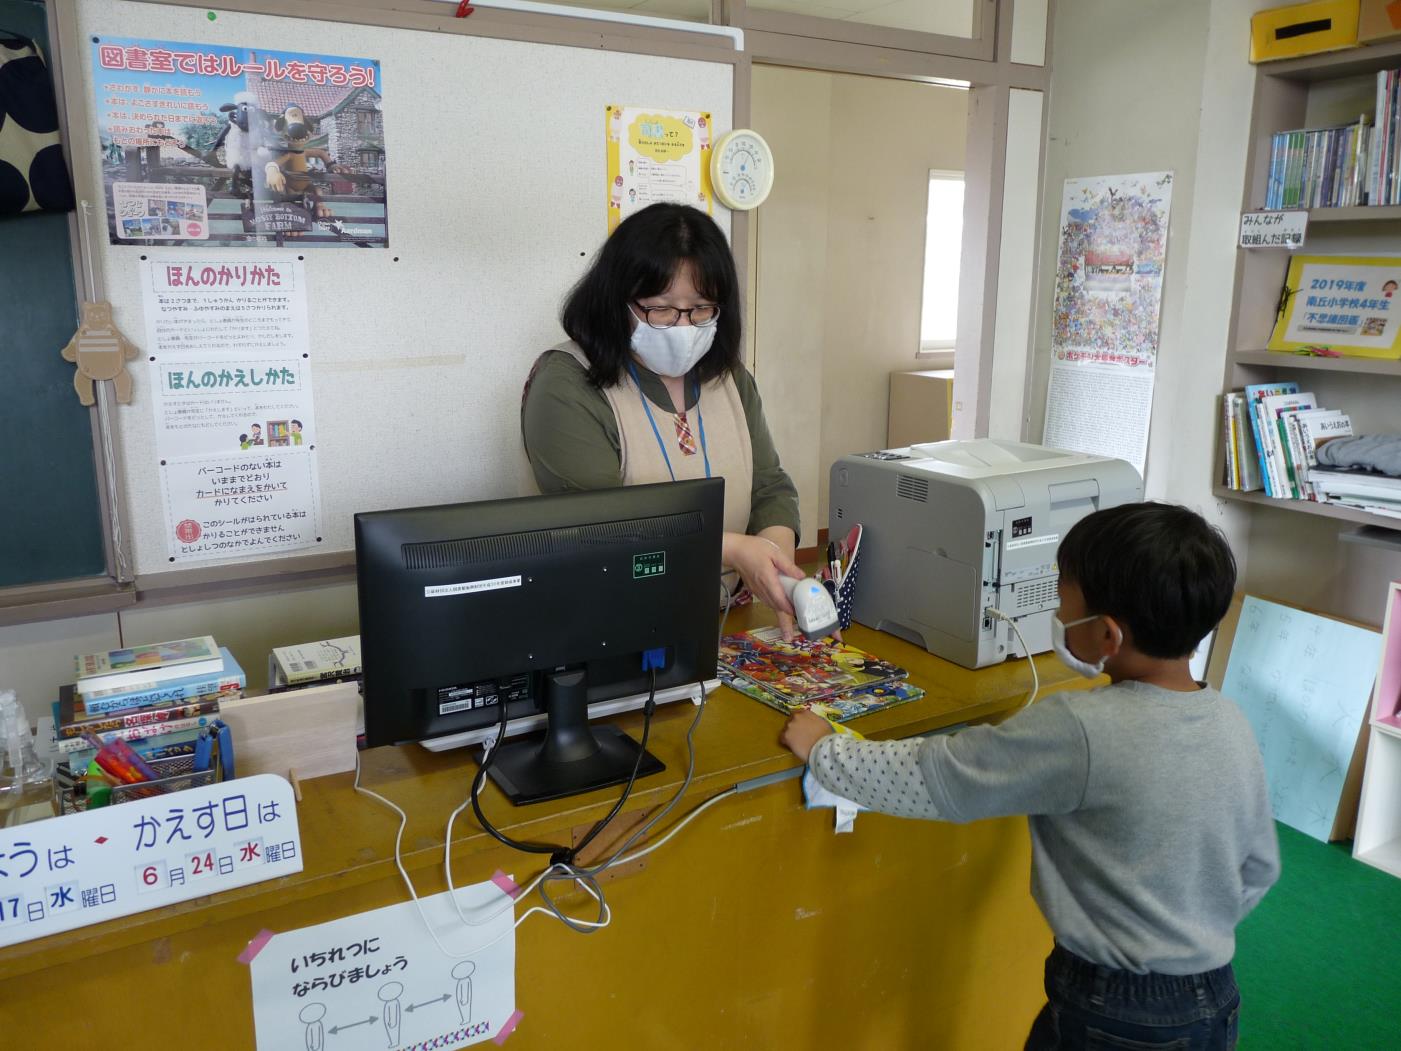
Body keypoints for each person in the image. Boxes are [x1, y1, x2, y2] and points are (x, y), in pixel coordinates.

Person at [780, 503, 1279, 1050]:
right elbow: (1258, 868)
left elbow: (937, 777)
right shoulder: (1231, 721)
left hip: (1109, 1008)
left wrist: (824, 751)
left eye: (1064, 601)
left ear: (1108, 635)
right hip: (1213, 996)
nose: (1058, 616)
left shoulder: (1080, 729)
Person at [522, 202, 803, 635]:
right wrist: (731, 550)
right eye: (662, 309)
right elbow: (599, 526)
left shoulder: (729, 379)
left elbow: (769, 486)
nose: (683, 327)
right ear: (617, 300)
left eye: (702, 309)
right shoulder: (566, 385)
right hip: (612, 625)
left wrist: (776, 563)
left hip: (726, 618)